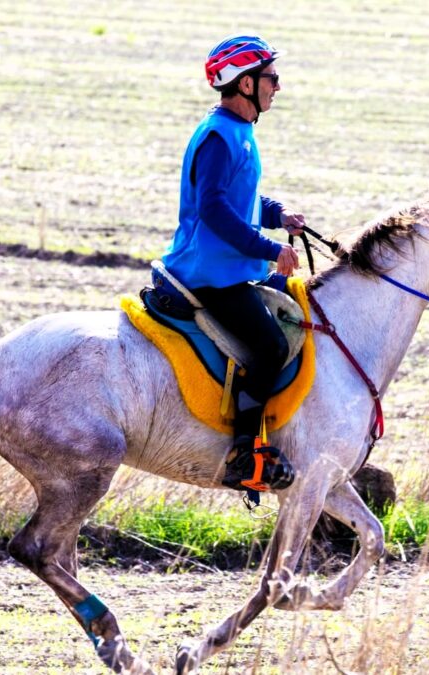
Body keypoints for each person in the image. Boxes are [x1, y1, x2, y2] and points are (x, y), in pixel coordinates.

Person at [162, 35, 306, 492]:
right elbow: (214, 209)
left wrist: (277, 214)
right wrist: (270, 248)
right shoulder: (221, 137)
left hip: (229, 269)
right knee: (270, 347)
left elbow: (239, 201)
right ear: (245, 84)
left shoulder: (237, 131)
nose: (277, 86)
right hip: (210, 276)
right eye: (271, 78)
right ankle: (243, 453)